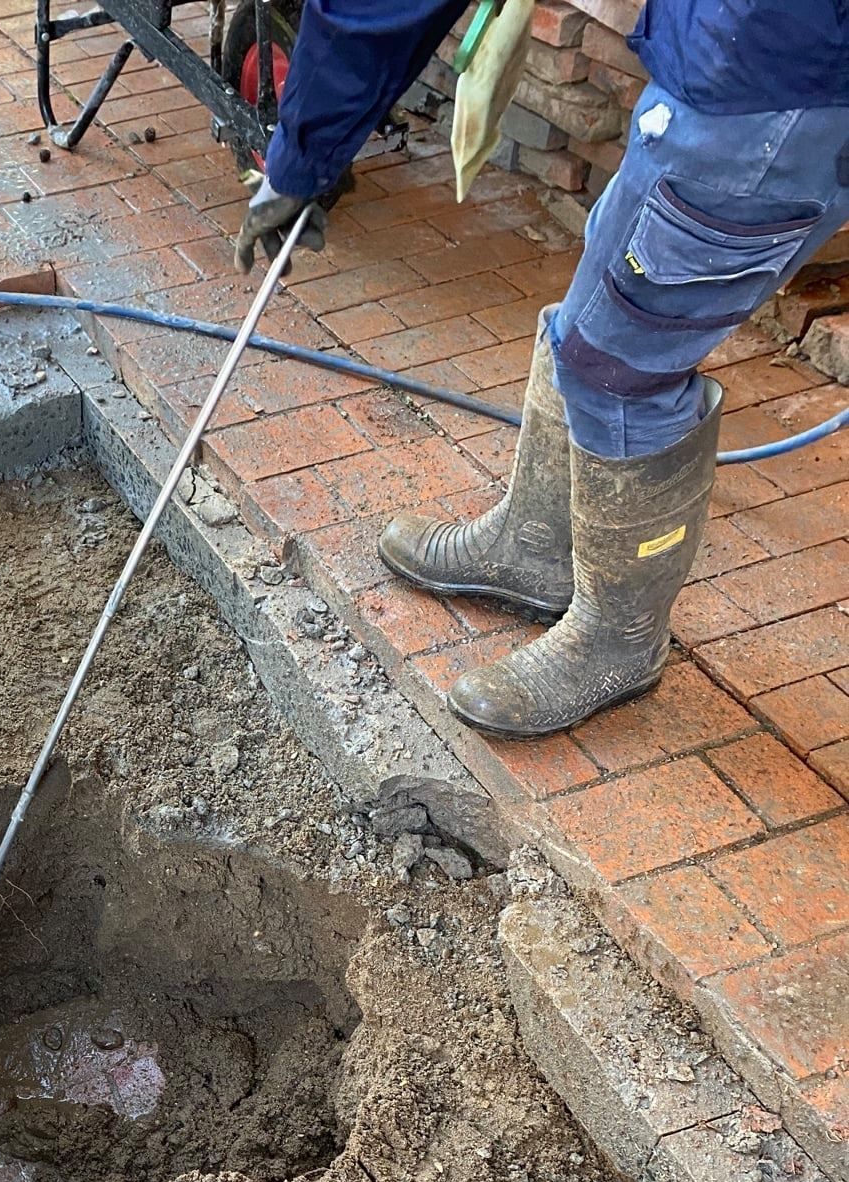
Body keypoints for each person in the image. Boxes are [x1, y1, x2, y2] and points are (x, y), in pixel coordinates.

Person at [235, 0, 849, 738]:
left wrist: (303, 154)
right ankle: (537, 547)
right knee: (596, 316)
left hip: (775, 87)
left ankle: (620, 640)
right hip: (739, 63)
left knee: (619, 368)